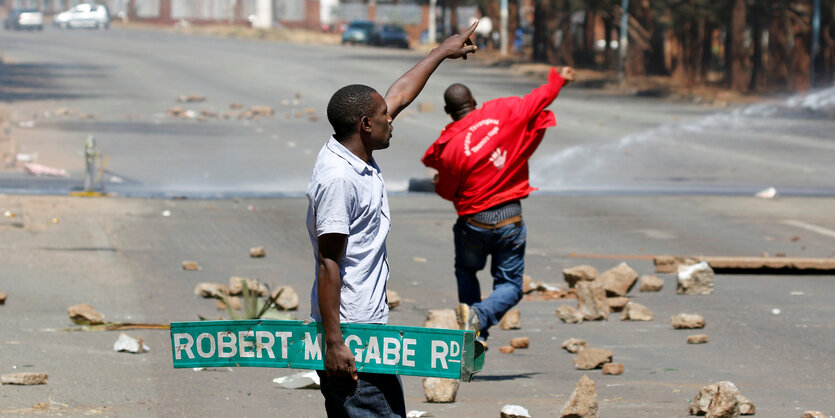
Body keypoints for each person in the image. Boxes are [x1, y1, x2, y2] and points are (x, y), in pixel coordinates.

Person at [305, 21, 479, 417]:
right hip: (352, 335)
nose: (392, 118)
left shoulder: (357, 149)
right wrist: (334, 341)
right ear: (366, 125)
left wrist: (441, 52)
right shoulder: (338, 178)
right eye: (384, 115)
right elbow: (328, 261)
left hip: (367, 331)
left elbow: (399, 93)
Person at [421, 66, 576, 344]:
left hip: (474, 223)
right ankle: (479, 318)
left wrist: (439, 183)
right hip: (509, 221)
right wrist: (560, 78)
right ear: (475, 102)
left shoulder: (449, 147)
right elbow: (541, 98)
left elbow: (446, 192)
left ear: (448, 110)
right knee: (511, 287)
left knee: (466, 270)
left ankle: (475, 332)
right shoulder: (504, 112)